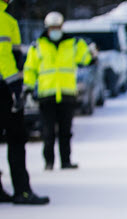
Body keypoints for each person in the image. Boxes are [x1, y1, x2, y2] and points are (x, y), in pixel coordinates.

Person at [23, 11, 91, 171]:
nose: (55, 30)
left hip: (67, 95)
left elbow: (85, 59)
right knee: (47, 132)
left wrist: (92, 55)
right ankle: (49, 162)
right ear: (47, 28)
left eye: (57, 27)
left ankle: (66, 161)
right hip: (46, 95)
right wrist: (28, 88)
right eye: (52, 27)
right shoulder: (38, 46)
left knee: (65, 131)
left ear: (62, 26)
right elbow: (30, 69)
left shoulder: (72, 44)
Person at [0, 0, 49, 205]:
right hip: (4, 87)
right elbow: (6, 58)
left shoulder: (9, 19)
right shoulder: (6, 20)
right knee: (17, 138)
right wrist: (15, 86)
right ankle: (22, 191)